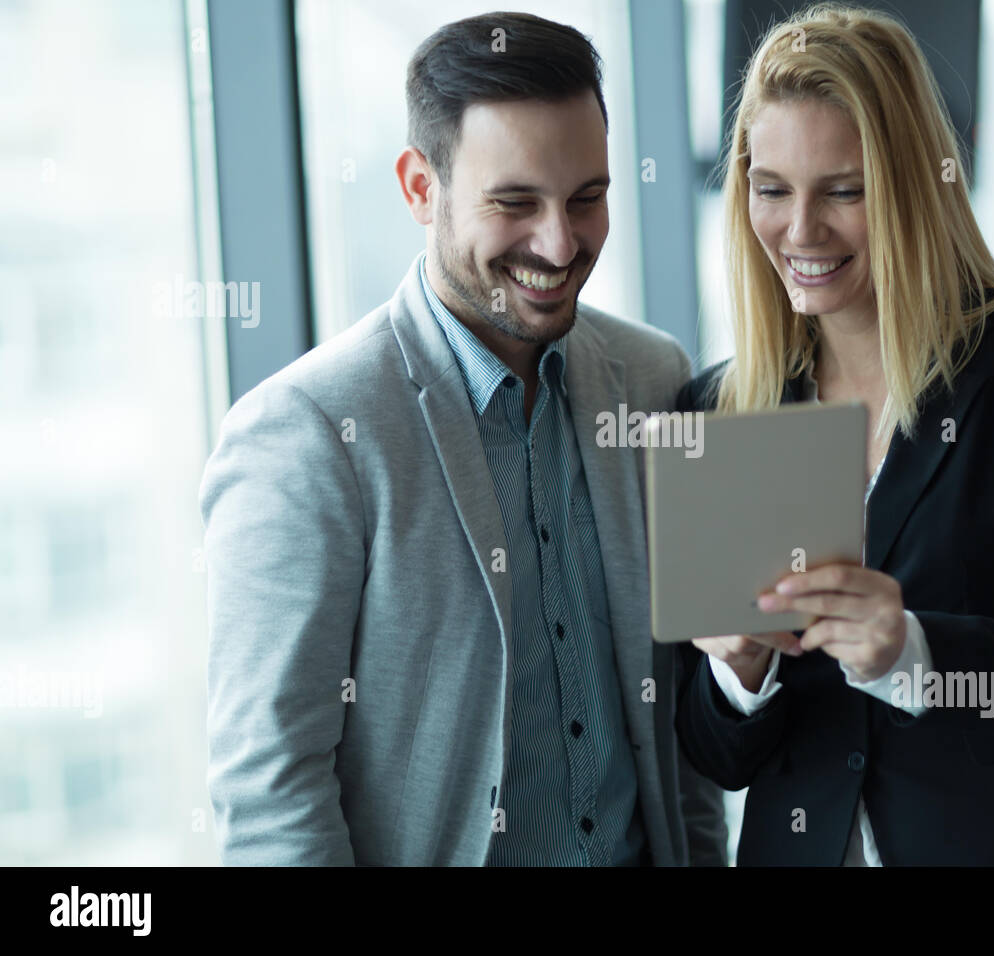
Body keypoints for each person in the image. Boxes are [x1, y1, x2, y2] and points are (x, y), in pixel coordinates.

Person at [200, 12, 726, 866]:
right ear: (419, 188)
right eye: (515, 202)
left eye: (587, 198)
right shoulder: (304, 436)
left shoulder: (654, 378)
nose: (560, 244)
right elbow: (272, 801)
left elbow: (676, 745)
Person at [675, 3, 994, 865]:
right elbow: (718, 755)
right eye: (772, 188)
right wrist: (739, 675)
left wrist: (918, 655)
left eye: (844, 191)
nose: (800, 230)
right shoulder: (723, 410)